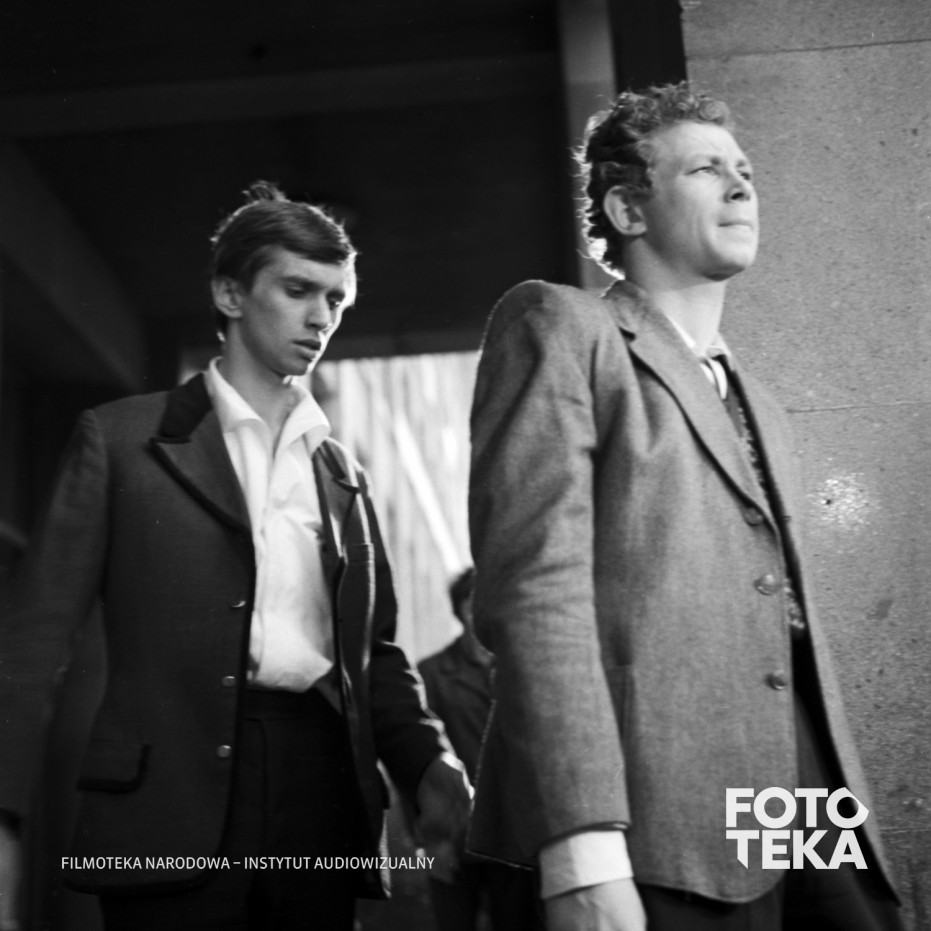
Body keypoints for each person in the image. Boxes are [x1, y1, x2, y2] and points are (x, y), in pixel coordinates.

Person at [467, 83, 903, 931]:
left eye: (745, 171)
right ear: (628, 208)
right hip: (654, 805)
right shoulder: (559, 325)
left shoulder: (762, 402)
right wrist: (581, 850)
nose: (741, 186)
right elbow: (534, 596)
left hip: (808, 788)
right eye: (706, 170)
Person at [0, 181, 471, 931]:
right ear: (229, 294)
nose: (321, 317)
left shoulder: (342, 474)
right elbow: (34, 639)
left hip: (318, 791)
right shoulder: (121, 441)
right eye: (297, 290)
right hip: (166, 798)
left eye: (337, 299)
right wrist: (4, 813)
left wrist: (429, 763)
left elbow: (375, 655)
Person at [417, 568, 542, 931]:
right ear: (458, 610)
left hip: (514, 836)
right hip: (455, 834)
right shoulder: (433, 672)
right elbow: (420, 760)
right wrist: (433, 839)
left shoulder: (524, 670)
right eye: (470, 603)